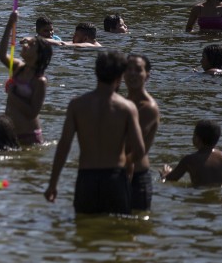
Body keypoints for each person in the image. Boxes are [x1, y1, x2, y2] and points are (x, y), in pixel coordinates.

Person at [45, 51, 146, 215]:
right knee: (119, 233)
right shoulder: (126, 107)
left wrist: (53, 183)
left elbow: (64, 146)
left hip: (87, 178)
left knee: (83, 231)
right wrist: (124, 161)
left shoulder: (77, 105)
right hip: (115, 178)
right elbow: (140, 150)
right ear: (120, 76)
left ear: (96, 72)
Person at [0, 11, 52, 145]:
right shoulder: (18, 67)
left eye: (31, 45)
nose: (24, 45)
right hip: (11, 134)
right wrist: (10, 24)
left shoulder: (39, 80)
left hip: (29, 137)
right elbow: (1, 55)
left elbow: (32, 113)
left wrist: (12, 94)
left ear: (39, 54)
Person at [124, 54, 160, 211]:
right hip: (120, 173)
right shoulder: (124, 102)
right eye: (128, 69)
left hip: (136, 178)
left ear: (147, 75)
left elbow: (130, 147)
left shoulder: (148, 108)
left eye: (138, 70)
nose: (132, 73)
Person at [161, 120, 222, 186]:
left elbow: (169, 180)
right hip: (221, 199)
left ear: (197, 139)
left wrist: (165, 174)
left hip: (199, 196)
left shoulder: (189, 160)